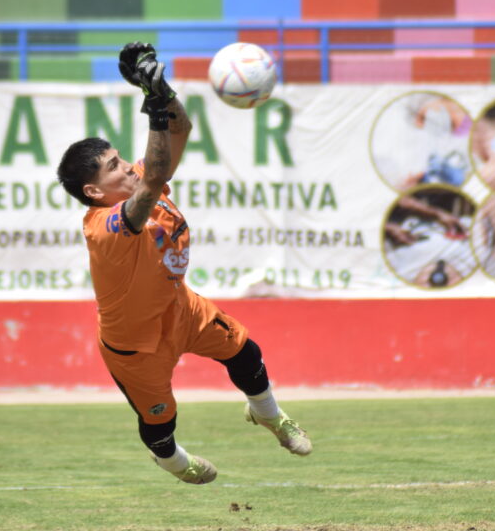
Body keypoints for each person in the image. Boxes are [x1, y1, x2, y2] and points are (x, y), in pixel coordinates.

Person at [56, 42, 311, 485]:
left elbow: (180, 128)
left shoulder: (140, 181)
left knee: (244, 351)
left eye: (122, 158)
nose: (128, 168)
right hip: (134, 343)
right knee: (160, 424)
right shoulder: (104, 224)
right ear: (95, 191)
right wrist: (153, 107)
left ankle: (270, 415)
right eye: (114, 166)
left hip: (180, 308)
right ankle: (172, 461)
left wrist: (160, 89)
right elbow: (153, 178)